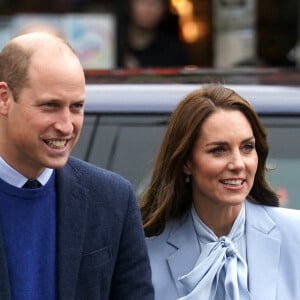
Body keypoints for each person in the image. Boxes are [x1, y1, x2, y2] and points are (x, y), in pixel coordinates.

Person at [0, 32, 154, 300]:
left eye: (77, 107)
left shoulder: (113, 200)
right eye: (50, 106)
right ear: (4, 99)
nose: (66, 125)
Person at [140, 84, 300, 299]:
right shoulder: (146, 249)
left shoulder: (295, 234)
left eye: (247, 147)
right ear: (186, 161)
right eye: (218, 150)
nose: (238, 163)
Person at [117, 0, 187, 68]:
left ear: (164, 9)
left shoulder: (174, 52)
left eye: (155, 2)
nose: (148, 8)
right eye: (142, 1)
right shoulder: (112, 43)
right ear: (130, 4)